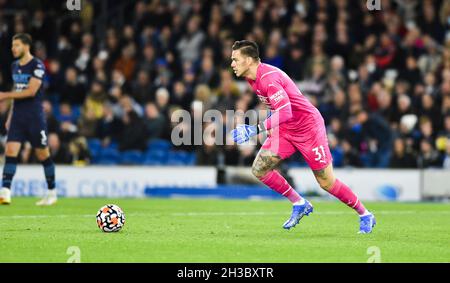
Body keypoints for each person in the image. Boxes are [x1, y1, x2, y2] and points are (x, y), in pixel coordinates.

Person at [230, 40, 375, 233]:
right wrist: (273, 125)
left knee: (326, 182)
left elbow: (287, 111)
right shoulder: (253, 78)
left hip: (308, 128)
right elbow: (278, 108)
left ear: (248, 60)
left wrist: (255, 129)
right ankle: (299, 203)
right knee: (259, 169)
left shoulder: (268, 79)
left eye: (235, 59)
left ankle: (365, 214)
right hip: (286, 129)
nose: (232, 64)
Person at [0, 33, 57, 205]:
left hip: (34, 117)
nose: (13, 48)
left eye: (16, 45)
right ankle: (5, 192)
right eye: (12, 45)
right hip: (18, 116)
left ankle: (51, 192)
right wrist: (10, 115)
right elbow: (17, 89)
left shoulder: (37, 65)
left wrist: (4, 96)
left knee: (43, 154)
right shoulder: (14, 65)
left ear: (26, 46)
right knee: (10, 152)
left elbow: (31, 91)